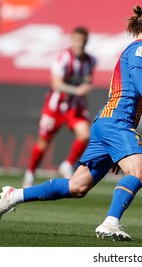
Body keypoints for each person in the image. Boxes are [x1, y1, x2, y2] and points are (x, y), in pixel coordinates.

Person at [0, 5, 142, 241]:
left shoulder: (136, 48)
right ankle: (110, 222)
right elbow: (137, 73)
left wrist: (117, 151)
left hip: (106, 123)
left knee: (77, 187)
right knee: (140, 173)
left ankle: (14, 196)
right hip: (116, 122)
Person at [22, 26, 96, 188]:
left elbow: (87, 82)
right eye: (76, 41)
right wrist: (77, 90)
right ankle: (30, 173)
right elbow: (56, 84)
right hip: (55, 107)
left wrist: (84, 100)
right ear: (72, 41)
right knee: (43, 142)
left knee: (85, 134)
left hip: (75, 107)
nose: (79, 45)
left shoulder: (91, 61)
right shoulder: (63, 58)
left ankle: (67, 164)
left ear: (86, 43)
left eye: (82, 42)